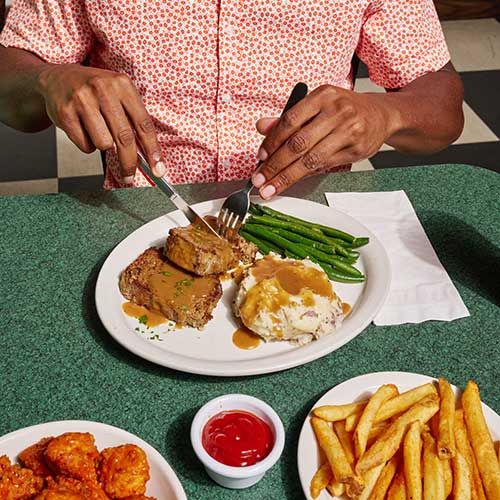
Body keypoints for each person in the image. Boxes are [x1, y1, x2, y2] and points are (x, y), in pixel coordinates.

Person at [0, 0, 463, 198]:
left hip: (308, 220)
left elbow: (443, 107)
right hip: (141, 216)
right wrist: (47, 78)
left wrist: (386, 113)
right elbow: (10, 88)